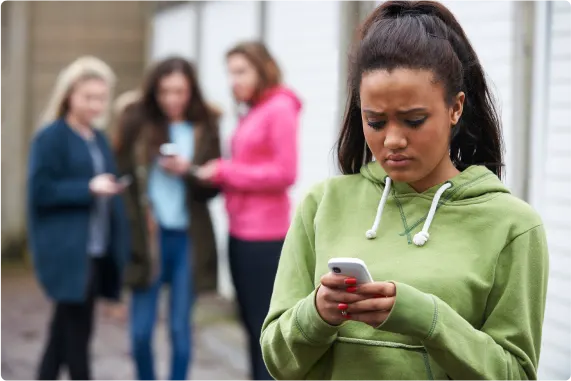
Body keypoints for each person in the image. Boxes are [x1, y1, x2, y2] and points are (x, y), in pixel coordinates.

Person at [260, 1, 549, 380]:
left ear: (455, 108)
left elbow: (516, 374)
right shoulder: (321, 205)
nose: (393, 140)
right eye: (375, 121)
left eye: (414, 120)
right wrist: (317, 313)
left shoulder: (513, 226)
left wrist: (428, 320)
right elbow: (278, 362)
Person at [194, 41, 302, 381]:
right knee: (249, 325)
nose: (233, 80)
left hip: (265, 238)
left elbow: (285, 172)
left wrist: (226, 171)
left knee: (263, 330)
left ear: (263, 69)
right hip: (240, 231)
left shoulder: (280, 108)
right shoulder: (254, 109)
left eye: (241, 71)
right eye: (230, 73)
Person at [113, 57, 221, 381]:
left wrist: (188, 170)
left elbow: (212, 188)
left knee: (180, 332)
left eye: (180, 91)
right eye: (165, 91)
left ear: (192, 91)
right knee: (141, 333)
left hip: (187, 239)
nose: (172, 99)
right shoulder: (136, 122)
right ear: (154, 92)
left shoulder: (206, 126)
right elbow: (122, 178)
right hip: (148, 239)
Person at [27, 56, 129, 381]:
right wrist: (87, 187)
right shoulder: (50, 137)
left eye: (101, 98)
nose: (96, 105)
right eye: (88, 97)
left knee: (63, 331)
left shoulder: (98, 138)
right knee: (76, 334)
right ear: (69, 94)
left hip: (96, 248)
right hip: (69, 251)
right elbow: (40, 192)